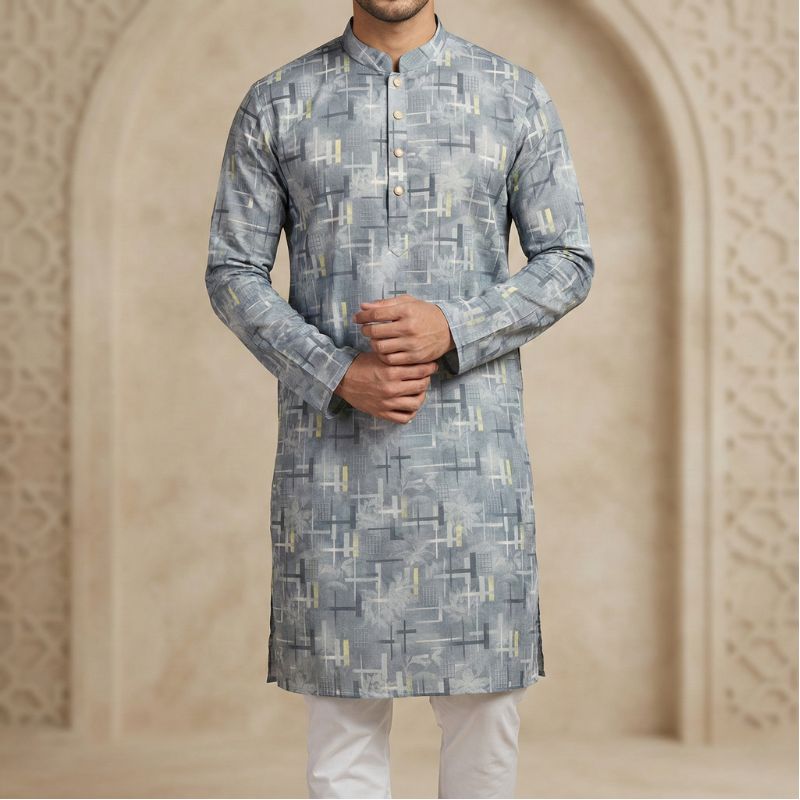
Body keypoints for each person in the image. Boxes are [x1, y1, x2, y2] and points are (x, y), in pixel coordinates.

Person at [205, 0, 594, 796]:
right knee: (341, 728)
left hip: (473, 471)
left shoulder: (512, 94)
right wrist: (335, 373)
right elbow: (232, 272)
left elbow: (567, 259)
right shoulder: (279, 101)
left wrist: (455, 325)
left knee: (485, 721)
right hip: (335, 470)